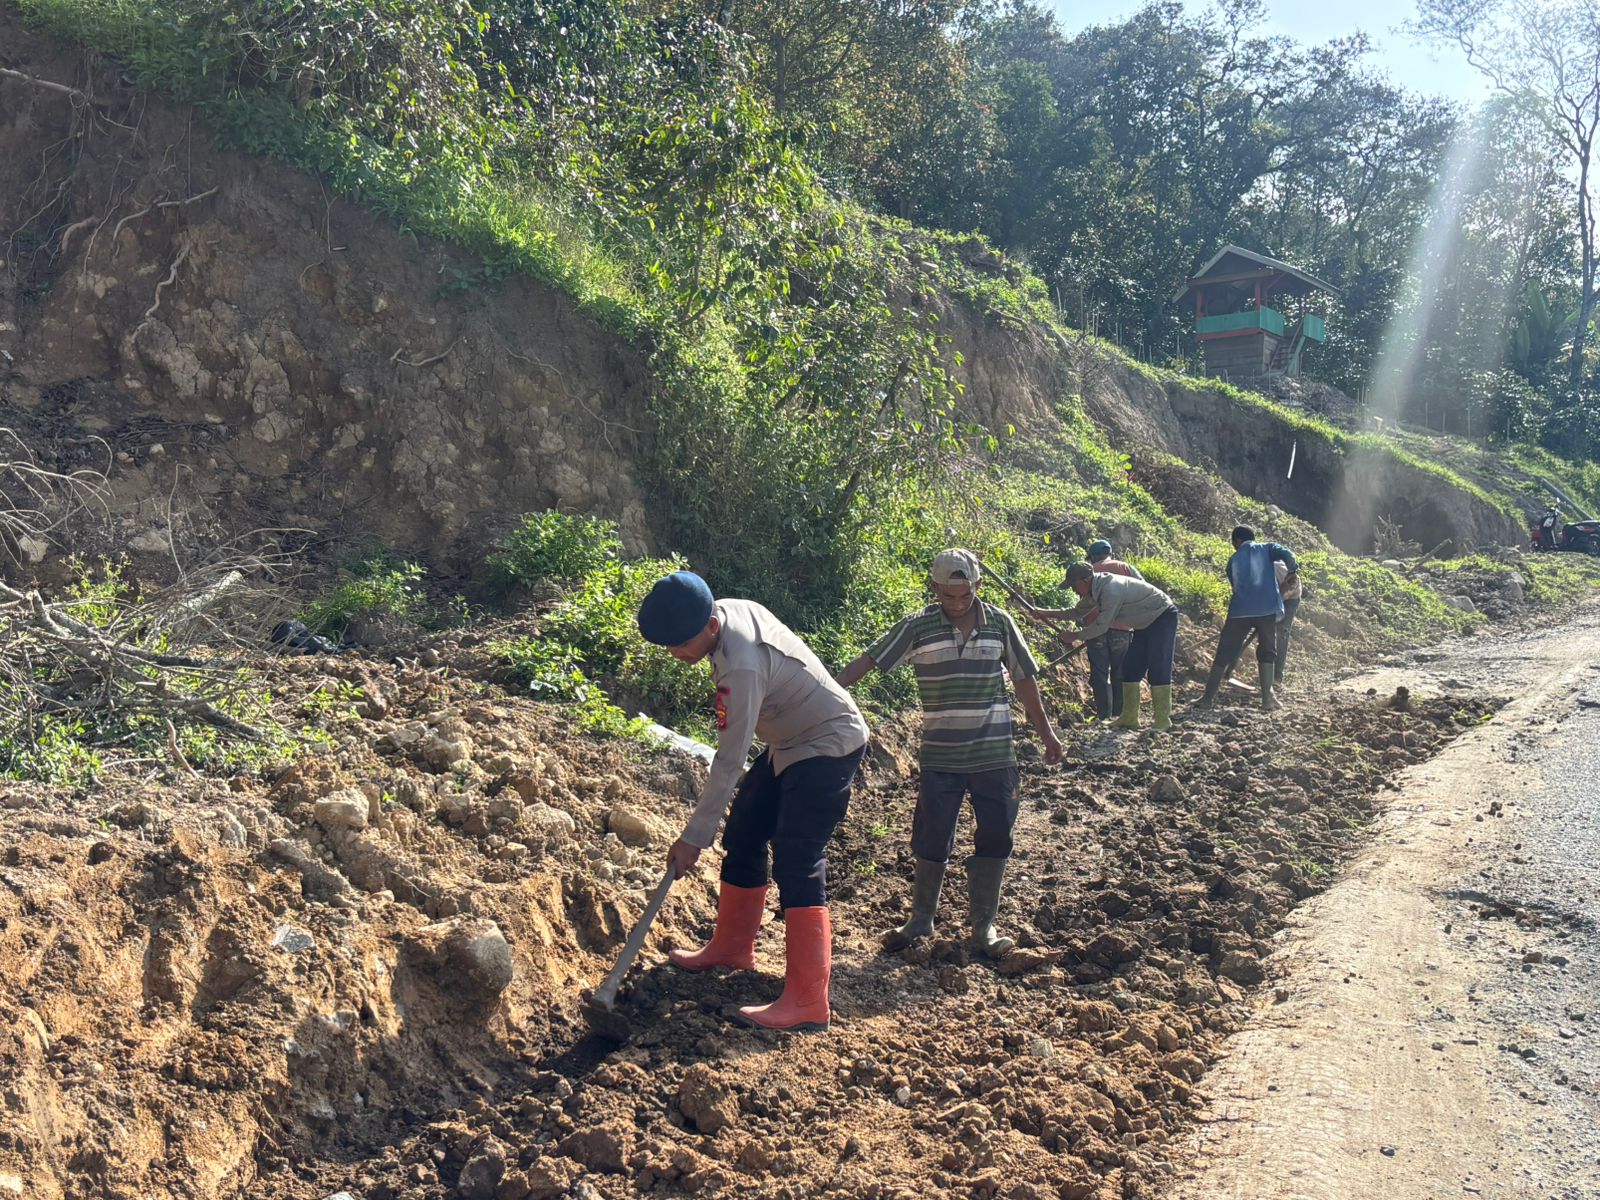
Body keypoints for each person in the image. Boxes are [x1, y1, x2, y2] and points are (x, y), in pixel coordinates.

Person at [637, 570, 869, 1032]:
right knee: (743, 830)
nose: (676, 654)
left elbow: (728, 759)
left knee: (798, 856)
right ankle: (732, 948)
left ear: (710, 627)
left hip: (827, 741)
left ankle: (808, 1001)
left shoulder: (740, 663)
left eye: (681, 645)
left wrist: (693, 838)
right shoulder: (717, 612)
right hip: (788, 742)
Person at [836, 549, 1063, 958]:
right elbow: (867, 661)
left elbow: (1025, 680)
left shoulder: (1000, 624)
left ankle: (983, 927)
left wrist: (1046, 733)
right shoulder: (917, 628)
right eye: (948, 596)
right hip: (940, 755)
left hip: (994, 752)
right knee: (932, 834)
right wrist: (825, 694)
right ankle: (921, 919)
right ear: (934, 589)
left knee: (996, 833)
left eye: (965, 595)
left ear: (978, 587)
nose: (957, 604)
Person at [1032, 562, 1180, 731]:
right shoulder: (1094, 591)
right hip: (1143, 623)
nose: (1073, 590)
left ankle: (1162, 720)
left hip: (1162, 616)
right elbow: (1076, 612)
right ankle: (1129, 717)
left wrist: (1076, 636)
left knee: (1158, 665)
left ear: (1086, 580)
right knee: (1131, 667)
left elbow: (1102, 626)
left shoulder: (1111, 589)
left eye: (1074, 585)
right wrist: (1046, 613)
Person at [1194, 526, 1299, 712]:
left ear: (1236, 542)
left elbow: (1235, 585)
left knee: (1224, 651)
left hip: (1239, 611)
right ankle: (1267, 699)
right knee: (1267, 651)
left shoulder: (1232, 560)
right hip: (1266, 610)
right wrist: (1292, 571)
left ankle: (1207, 698)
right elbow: (1287, 554)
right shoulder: (1267, 548)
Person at [1080, 540, 1142, 721]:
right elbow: (1142, 589)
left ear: (1092, 557)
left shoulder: (1087, 571)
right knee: (1120, 672)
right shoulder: (1125, 568)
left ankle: (1103, 716)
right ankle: (1119, 714)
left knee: (1099, 673)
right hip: (1122, 630)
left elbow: (1080, 601)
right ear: (1111, 554)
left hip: (1095, 630)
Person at [1273, 558, 1302, 686]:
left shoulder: (1279, 570)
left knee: (1281, 633)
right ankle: (1266, 672)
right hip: (1274, 596)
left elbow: (1291, 585)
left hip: (1291, 596)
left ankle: (1277, 676)